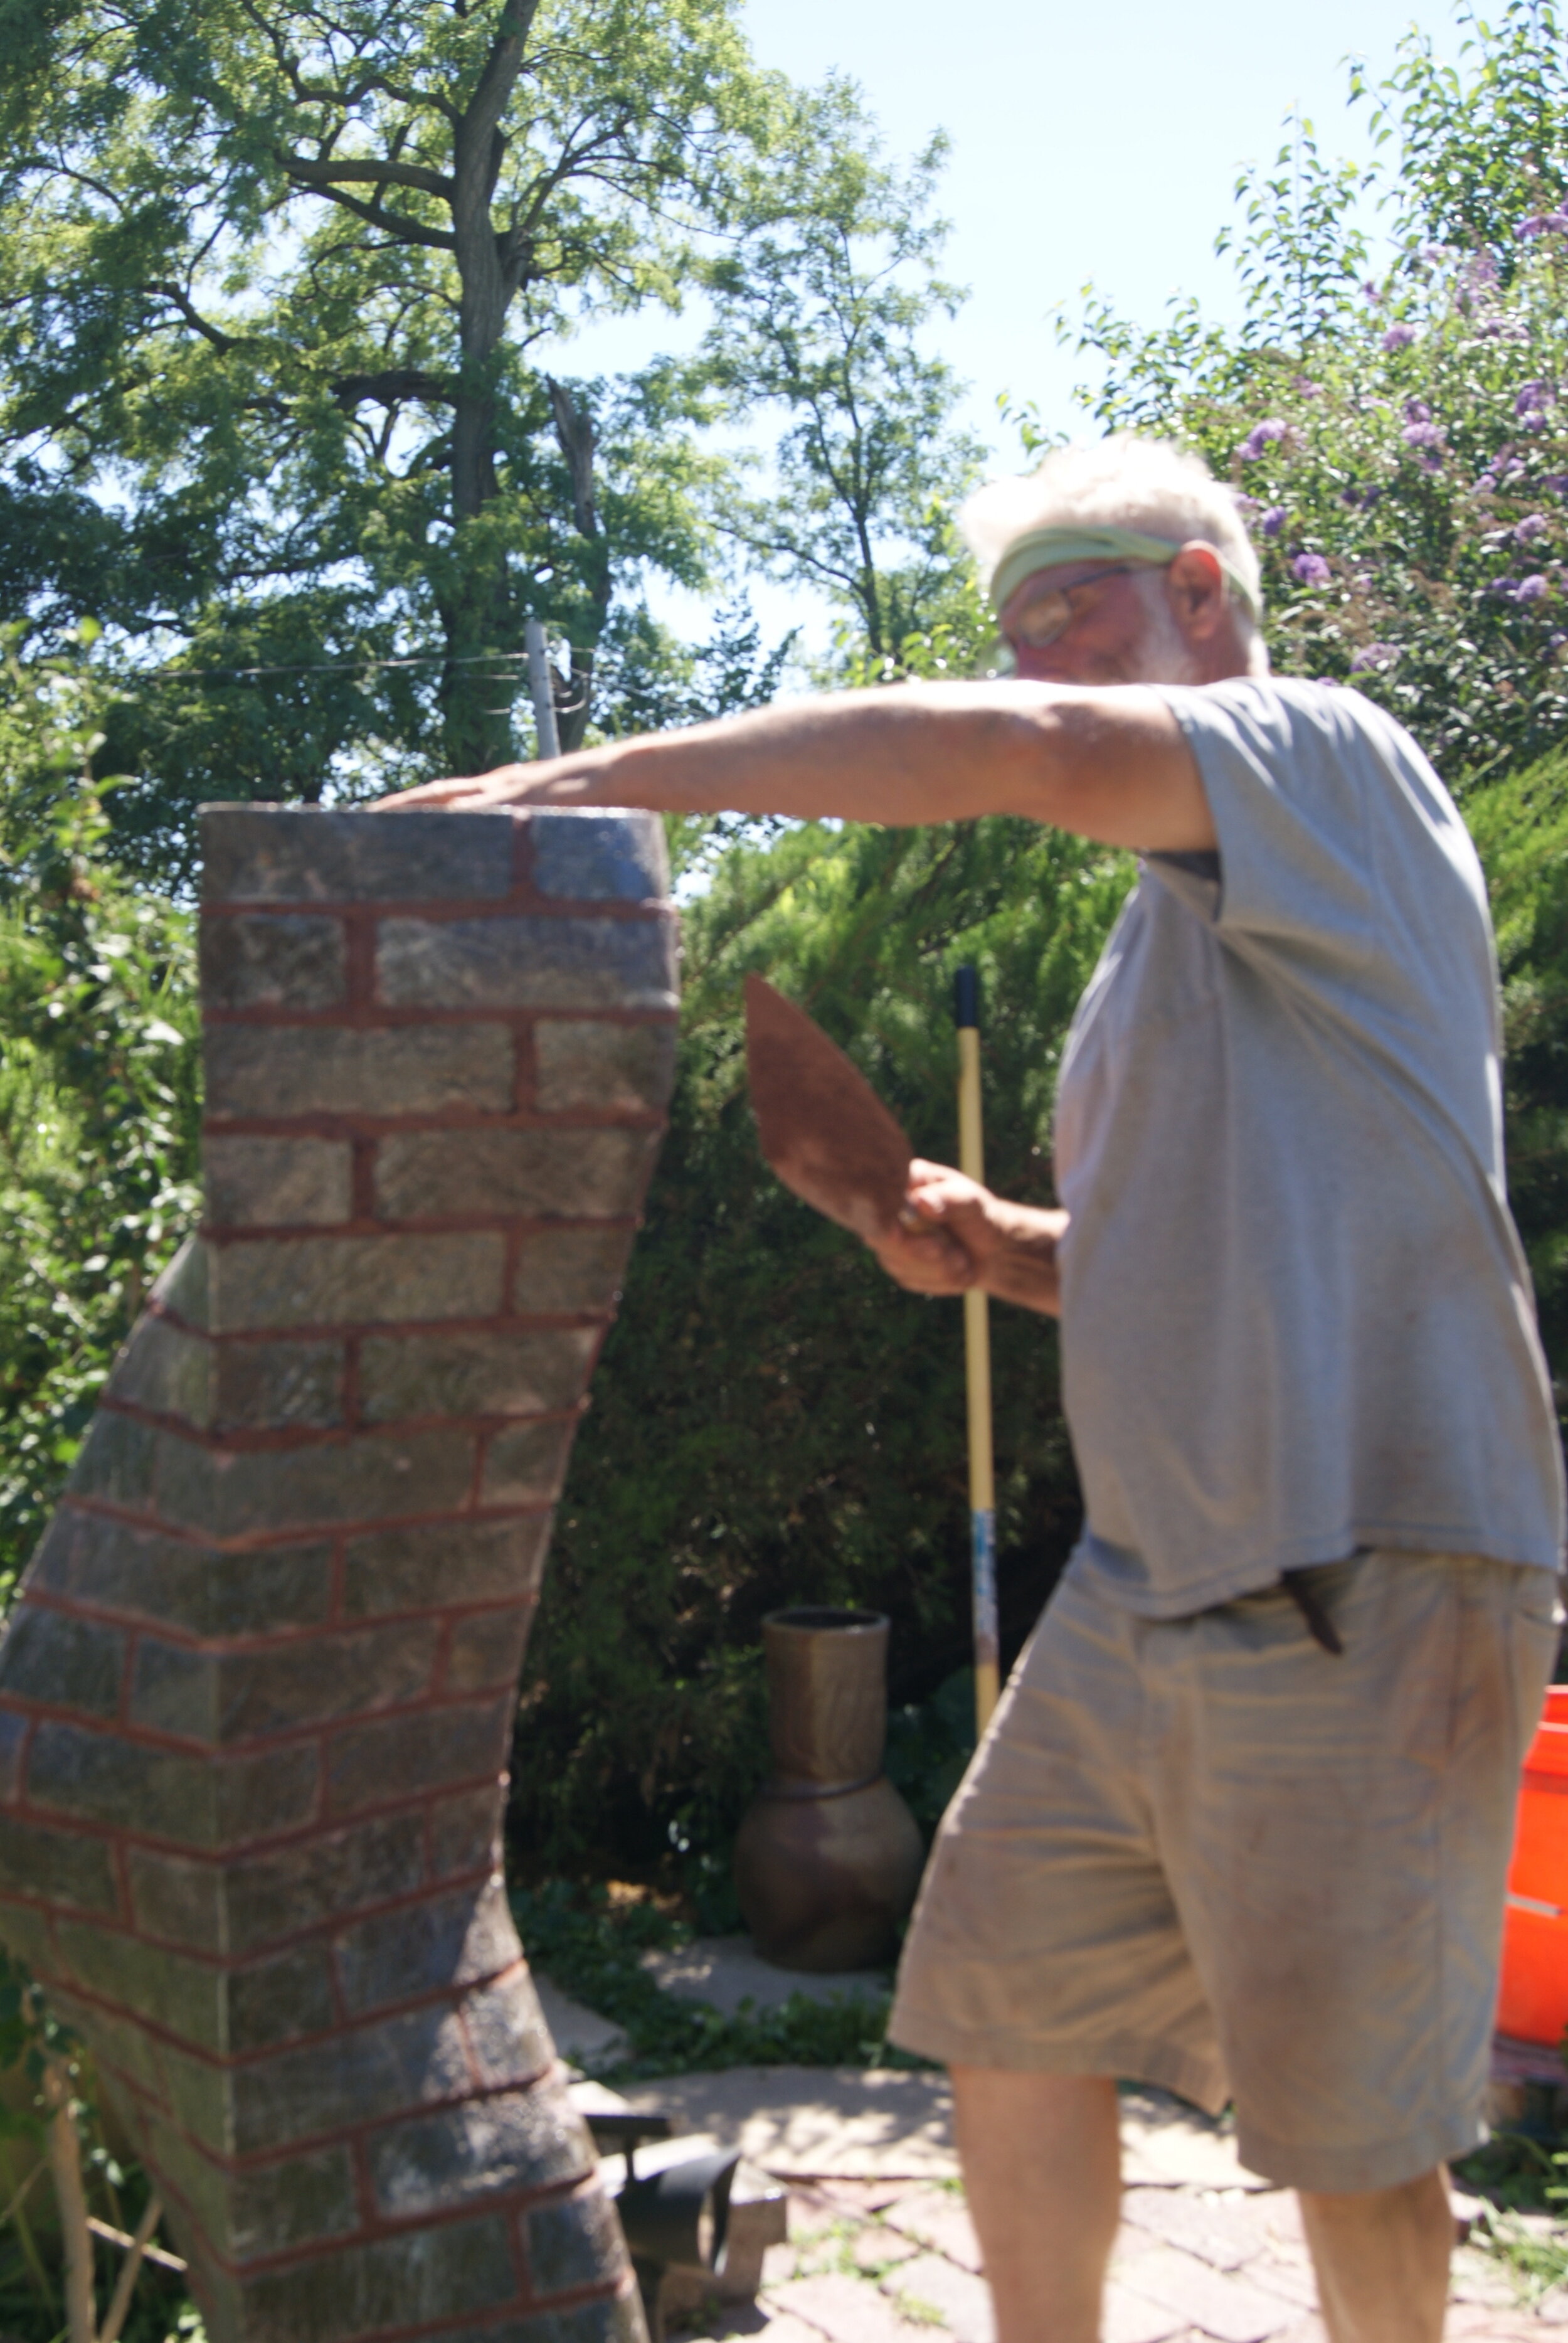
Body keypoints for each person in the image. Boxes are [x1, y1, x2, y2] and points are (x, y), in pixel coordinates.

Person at [387, 433, 1565, 2343]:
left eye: (1070, 611)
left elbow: (1020, 751)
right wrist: (981, 1237)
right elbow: (1168, 1257)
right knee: (1006, 2004)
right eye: (1007, 628)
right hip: (1151, 1575)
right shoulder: (1150, 954)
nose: (1031, 658)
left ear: (1201, 595)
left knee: (1349, 2133)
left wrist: (591, 782)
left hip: (1367, 1550)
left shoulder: (1326, 757)